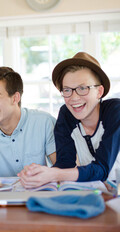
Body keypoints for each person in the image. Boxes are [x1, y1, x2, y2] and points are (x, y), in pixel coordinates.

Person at [18, 52, 120, 188]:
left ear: (99, 92)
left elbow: (102, 169)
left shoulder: (115, 111)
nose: (74, 97)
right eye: (67, 90)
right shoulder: (66, 114)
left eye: (82, 88)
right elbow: (65, 163)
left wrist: (54, 174)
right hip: (98, 194)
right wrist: (40, 172)